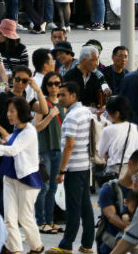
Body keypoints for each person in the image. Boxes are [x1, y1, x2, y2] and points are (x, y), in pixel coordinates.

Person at [0, 96, 45, 254]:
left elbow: (14, 150)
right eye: (8, 111)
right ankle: (15, 250)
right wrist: (1, 143)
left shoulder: (29, 131)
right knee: (9, 218)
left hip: (27, 179)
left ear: (21, 112)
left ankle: (37, 247)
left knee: (24, 218)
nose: (8, 114)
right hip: (9, 176)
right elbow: (12, 147)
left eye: (12, 111)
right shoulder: (16, 129)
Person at [46, 81, 95, 254]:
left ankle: (66, 246)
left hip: (73, 168)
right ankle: (87, 244)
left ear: (73, 95)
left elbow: (69, 146)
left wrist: (61, 170)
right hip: (84, 166)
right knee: (86, 206)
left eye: (63, 94)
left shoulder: (72, 116)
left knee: (73, 208)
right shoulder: (85, 112)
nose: (60, 98)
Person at [34, 72, 64, 233]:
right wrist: (50, 116)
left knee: (53, 187)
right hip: (44, 150)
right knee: (43, 187)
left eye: (57, 83)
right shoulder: (42, 104)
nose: (54, 87)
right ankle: (40, 221)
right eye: (50, 84)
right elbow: (35, 127)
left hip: (58, 150)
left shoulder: (63, 104)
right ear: (45, 86)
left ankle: (50, 221)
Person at [98, 150, 138, 254]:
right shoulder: (109, 189)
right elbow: (112, 217)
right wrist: (131, 228)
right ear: (130, 164)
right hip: (111, 246)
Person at [97, 95, 138, 177]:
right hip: (132, 169)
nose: (107, 114)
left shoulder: (108, 130)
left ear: (116, 113)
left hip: (114, 170)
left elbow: (100, 153)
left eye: (107, 112)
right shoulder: (133, 127)